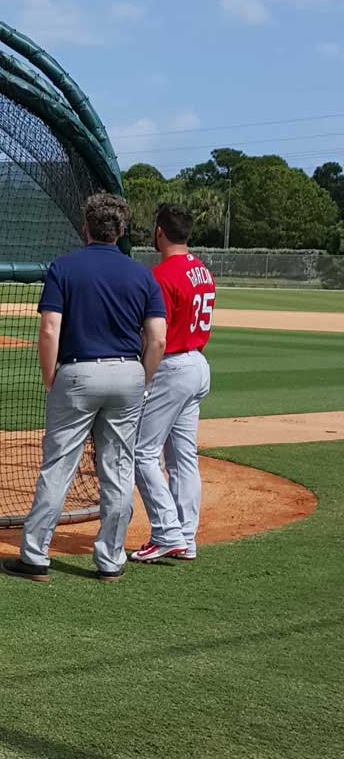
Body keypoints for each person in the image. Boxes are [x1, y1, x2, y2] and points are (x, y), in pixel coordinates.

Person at [3, 192, 167, 583]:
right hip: (128, 372)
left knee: (59, 466)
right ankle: (110, 560)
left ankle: (35, 556)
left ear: (86, 227)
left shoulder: (64, 267)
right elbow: (158, 338)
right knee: (118, 469)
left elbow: (49, 330)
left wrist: (50, 379)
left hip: (77, 373)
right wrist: (141, 380)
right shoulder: (142, 274)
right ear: (122, 230)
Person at [130, 203, 216, 563]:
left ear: (160, 232)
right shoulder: (203, 270)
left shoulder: (162, 275)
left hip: (173, 366)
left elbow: (157, 338)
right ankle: (186, 536)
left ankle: (167, 532)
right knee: (182, 457)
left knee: (142, 452)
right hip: (198, 364)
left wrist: (144, 378)